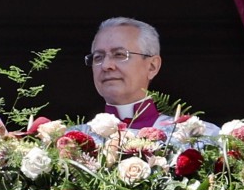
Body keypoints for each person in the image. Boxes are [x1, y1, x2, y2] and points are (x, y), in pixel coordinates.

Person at [85, 16, 216, 132]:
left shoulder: (197, 138)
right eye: (98, 57)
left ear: (152, 66)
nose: (106, 65)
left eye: (119, 55)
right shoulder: (71, 144)